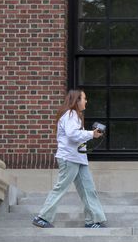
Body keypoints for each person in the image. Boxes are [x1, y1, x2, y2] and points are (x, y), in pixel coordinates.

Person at [32, 90, 106, 229]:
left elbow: (75, 136)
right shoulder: (70, 114)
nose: (86, 101)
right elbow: (72, 135)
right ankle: (42, 217)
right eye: (84, 98)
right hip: (69, 158)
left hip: (78, 158)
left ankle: (92, 220)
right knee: (61, 187)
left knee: (88, 189)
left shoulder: (75, 116)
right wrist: (91, 134)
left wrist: (90, 134)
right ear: (76, 100)